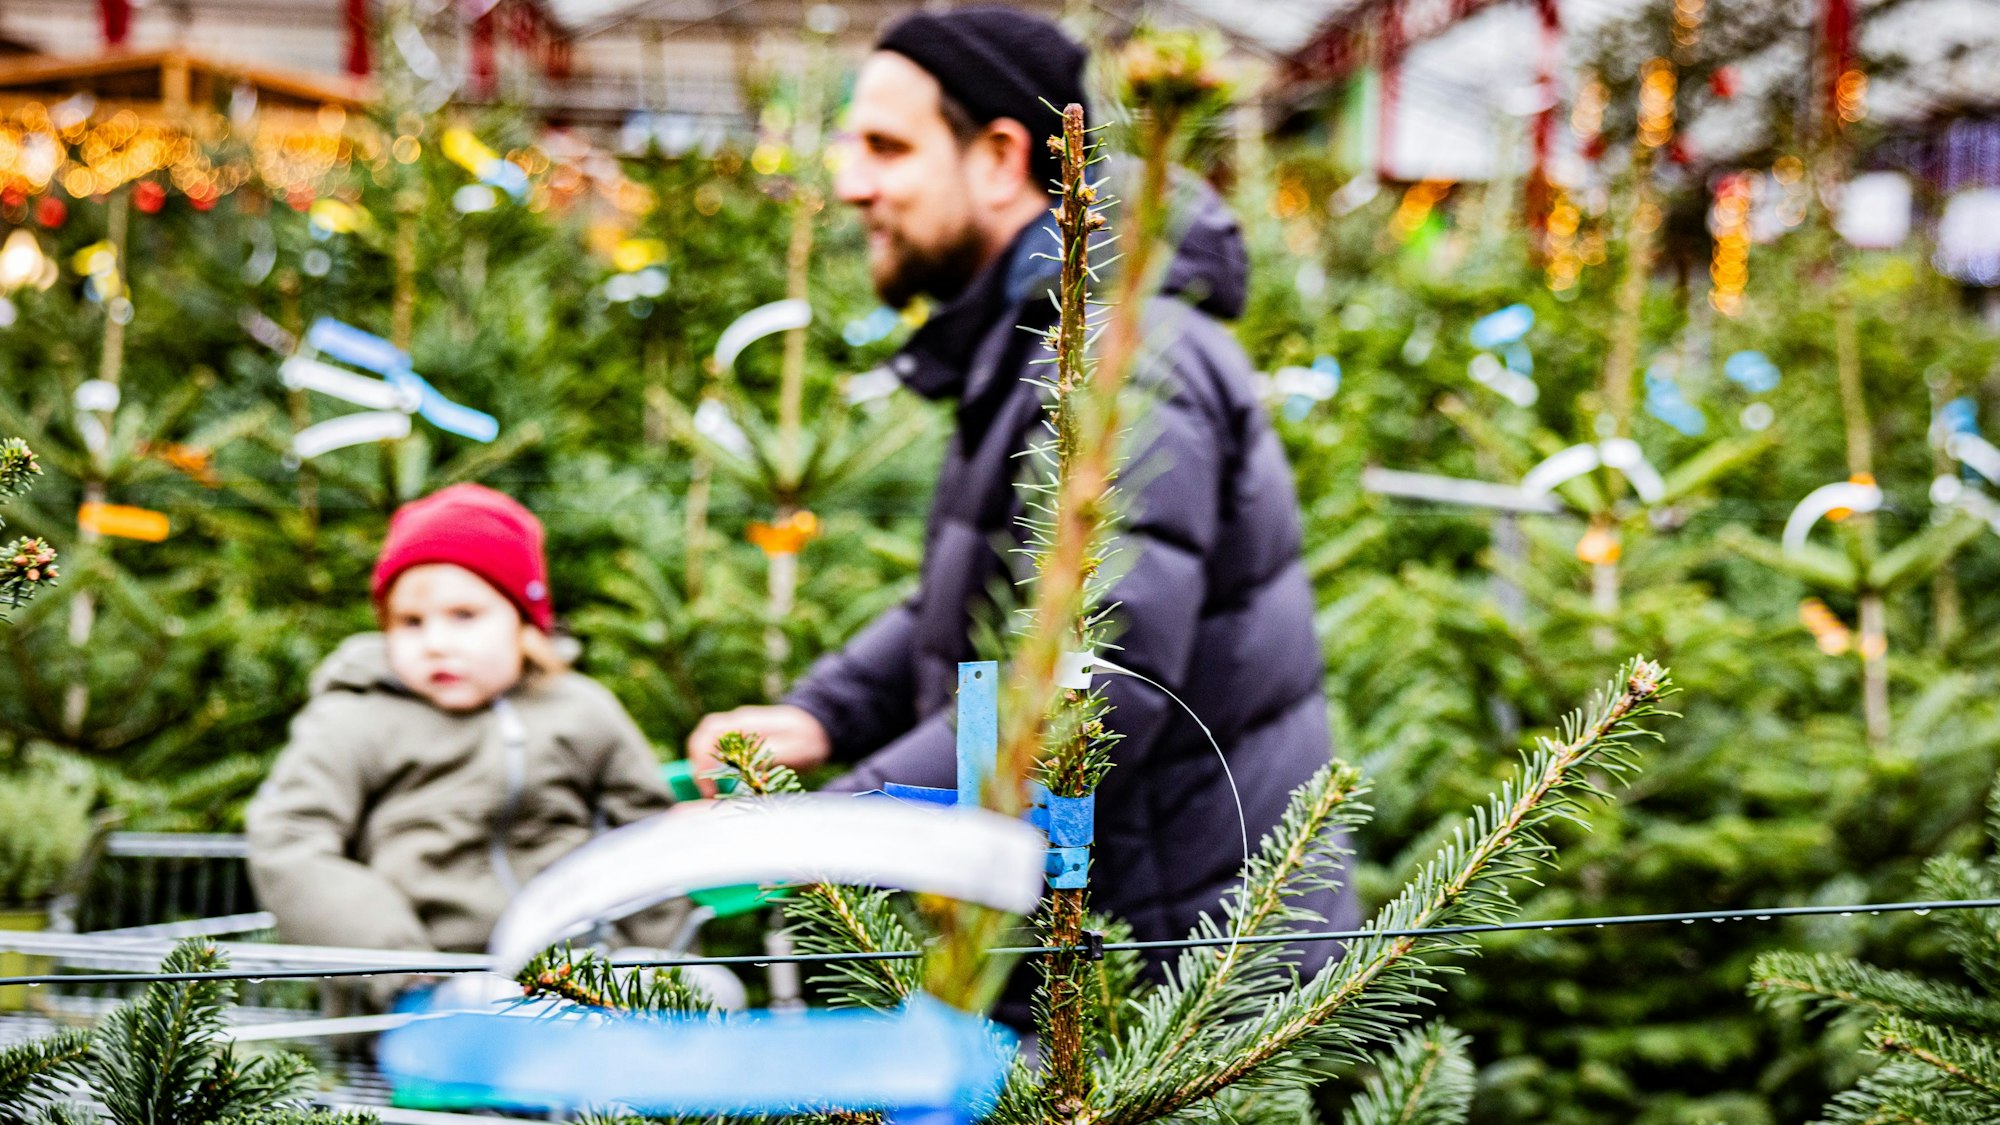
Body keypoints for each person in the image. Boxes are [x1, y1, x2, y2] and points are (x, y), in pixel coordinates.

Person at [687, 8, 1356, 974]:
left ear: (1001, 157)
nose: (850, 181)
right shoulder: (1037, 343)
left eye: (885, 145)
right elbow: (981, 604)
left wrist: (838, 824)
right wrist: (827, 714)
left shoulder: (1124, 360)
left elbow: (1098, 683)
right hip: (1087, 954)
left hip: (1175, 997)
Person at [248, 484, 684, 999]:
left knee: (712, 992)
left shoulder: (580, 709)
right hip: (425, 990)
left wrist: (655, 959)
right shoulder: (354, 718)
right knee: (483, 1007)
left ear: (523, 623)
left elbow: (647, 833)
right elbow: (291, 838)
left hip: (581, 977)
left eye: (464, 616)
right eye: (410, 622)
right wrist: (400, 967)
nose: (435, 643)